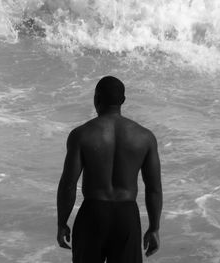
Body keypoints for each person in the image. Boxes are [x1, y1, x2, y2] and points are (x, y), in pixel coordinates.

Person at [57, 76, 163, 263]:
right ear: (123, 101)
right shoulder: (145, 137)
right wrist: (154, 228)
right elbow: (153, 189)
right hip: (126, 216)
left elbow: (68, 185)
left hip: (93, 214)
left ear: (96, 99)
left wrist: (62, 223)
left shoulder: (82, 135)